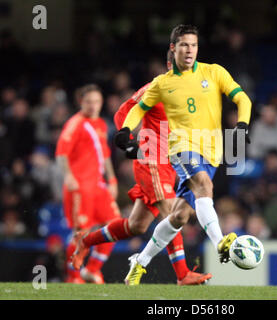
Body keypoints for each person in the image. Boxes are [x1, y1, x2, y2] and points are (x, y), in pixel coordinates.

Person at [114, 24, 252, 285]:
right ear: (173, 48)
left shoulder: (214, 72)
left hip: (212, 151)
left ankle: (139, 262)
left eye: (194, 45)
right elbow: (137, 109)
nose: (190, 50)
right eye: (184, 45)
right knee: (204, 185)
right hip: (181, 148)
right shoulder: (162, 83)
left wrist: (242, 125)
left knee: (179, 216)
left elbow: (242, 99)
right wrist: (124, 131)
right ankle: (221, 244)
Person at [72, 51, 212, 286]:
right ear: (170, 64)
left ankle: (85, 241)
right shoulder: (155, 89)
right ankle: (182, 274)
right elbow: (123, 111)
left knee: (136, 225)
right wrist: (125, 137)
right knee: (172, 215)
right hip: (152, 161)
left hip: (172, 164)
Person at [55, 84, 121, 284]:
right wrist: (68, 176)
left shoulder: (100, 124)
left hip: (99, 185)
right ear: (80, 102)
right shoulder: (75, 123)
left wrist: (112, 179)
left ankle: (92, 269)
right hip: (80, 187)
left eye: (97, 102)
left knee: (116, 226)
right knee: (80, 234)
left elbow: (105, 156)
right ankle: (73, 277)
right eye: (89, 102)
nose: (93, 106)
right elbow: (61, 153)